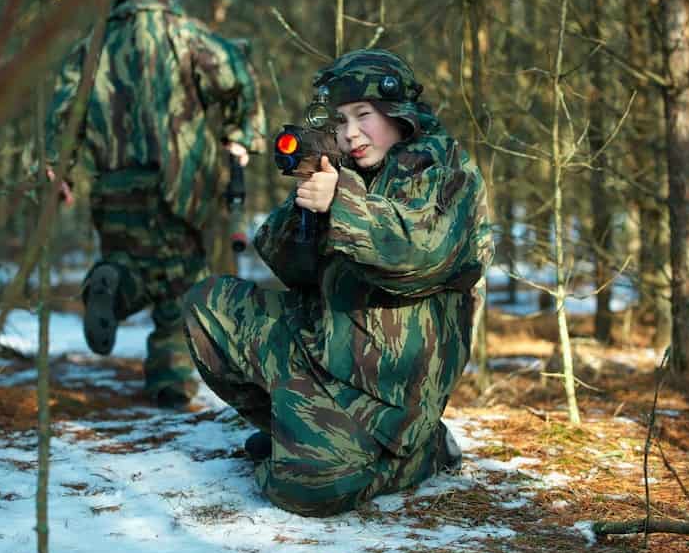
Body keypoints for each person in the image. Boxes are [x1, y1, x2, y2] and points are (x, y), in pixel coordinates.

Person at [182, 49, 493, 516]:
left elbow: (418, 257)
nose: (351, 133)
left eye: (364, 115)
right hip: (323, 346)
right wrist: (308, 201)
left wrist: (342, 203)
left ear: (397, 113)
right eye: (342, 120)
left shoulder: (442, 168)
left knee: (304, 490)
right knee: (208, 306)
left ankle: (417, 451)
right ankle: (296, 431)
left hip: (387, 390)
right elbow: (289, 267)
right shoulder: (349, 173)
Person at [45, 0, 265, 408]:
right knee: (180, 283)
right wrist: (242, 135)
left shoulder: (90, 46)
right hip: (179, 181)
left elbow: (64, 111)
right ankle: (170, 381)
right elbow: (237, 72)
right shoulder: (186, 34)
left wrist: (59, 169)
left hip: (114, 183)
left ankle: (112, 285)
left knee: (130, 261)